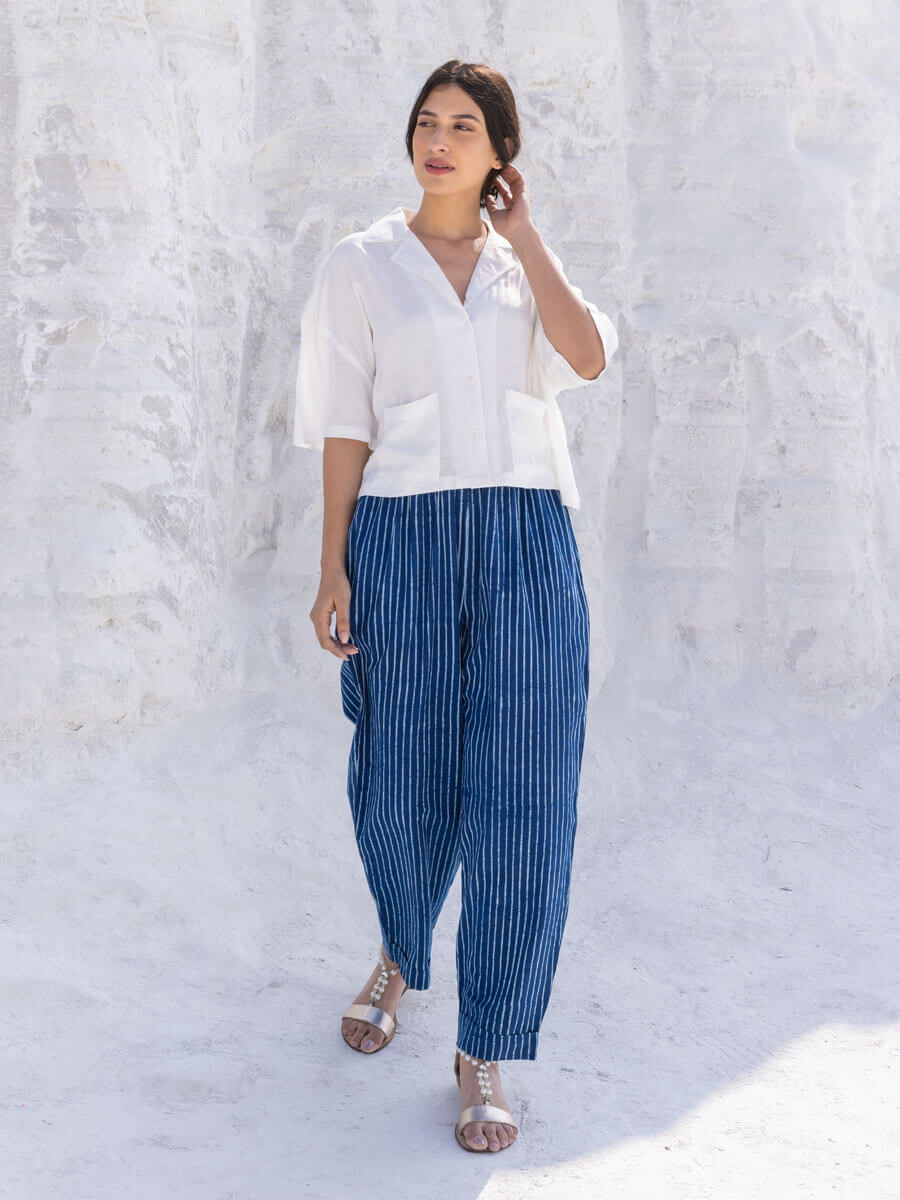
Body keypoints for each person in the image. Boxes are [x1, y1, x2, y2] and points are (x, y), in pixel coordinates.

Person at [293, 59, 618, 1154]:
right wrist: (332, 565)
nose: (438, 141)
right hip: (402, 538)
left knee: (526, 795)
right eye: (426, 122)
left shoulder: (525, 267)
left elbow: (587, 358)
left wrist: (526, 236)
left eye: (464, 127)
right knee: (401, 773)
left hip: (527, 541)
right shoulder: (362, 264)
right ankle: (401, 947)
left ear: (499, 153)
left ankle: (485, 1048)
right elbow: (346, 421)